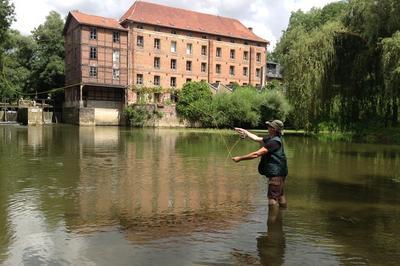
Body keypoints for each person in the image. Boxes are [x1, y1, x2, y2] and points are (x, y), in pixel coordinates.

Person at [232, 120, 288, 207]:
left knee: (272, 198)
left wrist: (240, 158)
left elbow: (256, 154)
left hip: (276, 174)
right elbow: (256, 138)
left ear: (274, 129)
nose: (268, 128)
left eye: (270, 126)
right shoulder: (272, 138)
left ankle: (272, 219)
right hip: (280, 173)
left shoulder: (274, 142)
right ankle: (282, 214)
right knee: (280, 194)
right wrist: (245, 131)